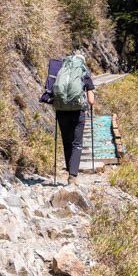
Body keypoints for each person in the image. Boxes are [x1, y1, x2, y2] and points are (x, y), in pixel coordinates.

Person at [55, 50, 95, 185]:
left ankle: (69, 170)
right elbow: (91, 101)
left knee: (67, 142)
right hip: (77, 112)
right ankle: (72, 176)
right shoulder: (84, 73)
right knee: (76, 144)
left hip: (61, 111)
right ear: (82, 62)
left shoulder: (61, 70)